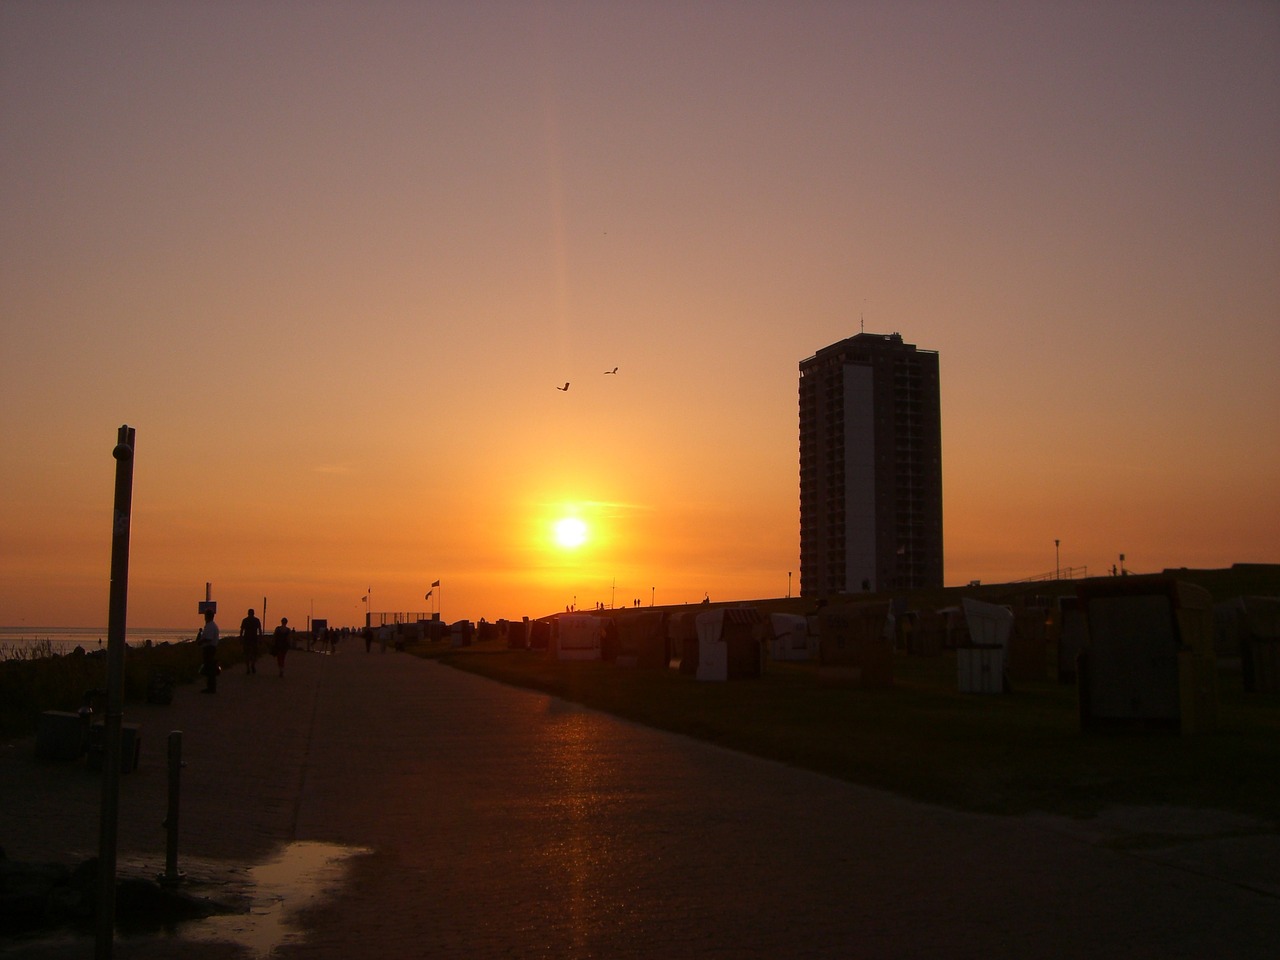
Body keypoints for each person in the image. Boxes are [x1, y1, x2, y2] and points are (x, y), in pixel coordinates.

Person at [198, 608, 220, 693]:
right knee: (209, 668)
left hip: (209, 649)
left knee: (210, 668)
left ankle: (211, 688)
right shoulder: (210, 625)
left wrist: (200, 642)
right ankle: (210, 687)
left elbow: (209, 639)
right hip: (209, 648)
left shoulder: (211, 626)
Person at [240, 608, 263, 674]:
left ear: (248, 613)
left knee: (246, 654)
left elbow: (242, 630)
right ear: (253, 613)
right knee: (254, 653)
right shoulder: (256, 620)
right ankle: (252, 664)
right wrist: (261, 638)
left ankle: (248, 668)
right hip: (254, 638)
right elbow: (260, 630)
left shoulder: (245, 620)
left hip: (247, 638)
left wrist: (241, 638)